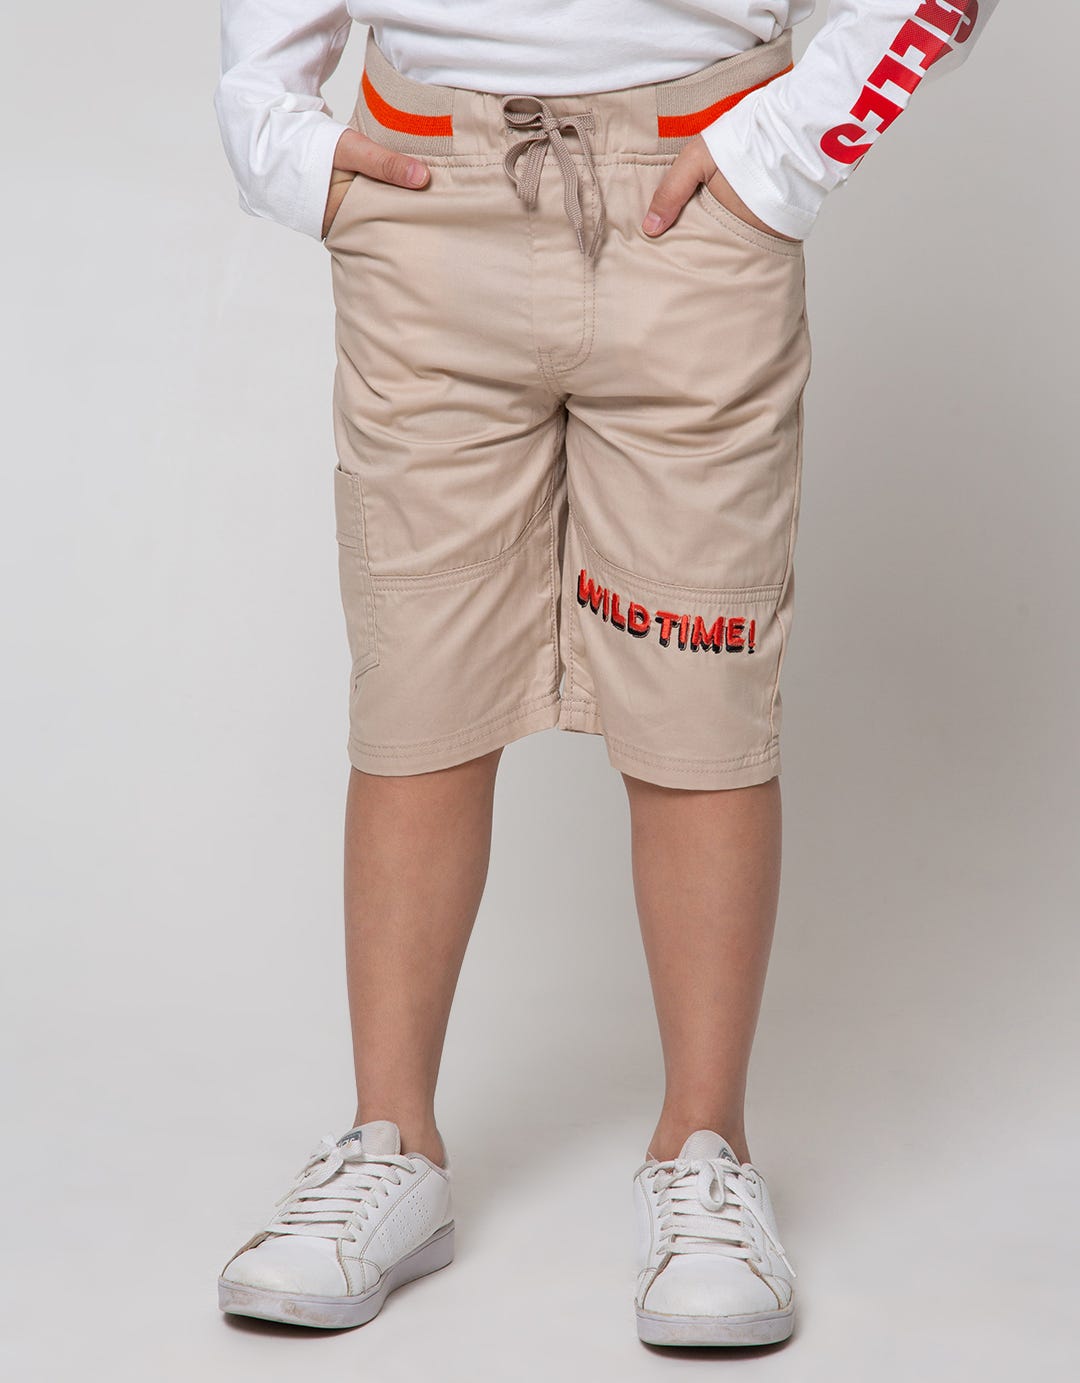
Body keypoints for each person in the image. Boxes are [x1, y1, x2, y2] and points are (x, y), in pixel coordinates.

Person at [213, 0, 996, 1348]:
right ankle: (389, 1143)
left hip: (695, 200)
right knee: (417, 689)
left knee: (700, 702)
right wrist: (277, 134)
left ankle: (704, 1152)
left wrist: (782, 152)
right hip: (424, 201)